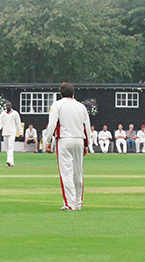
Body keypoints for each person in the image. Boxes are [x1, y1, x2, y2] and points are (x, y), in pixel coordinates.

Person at [42, 82, 91, 211]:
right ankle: (78, 202)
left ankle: (70, 203)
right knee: (78, 172)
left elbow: (52, 124)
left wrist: (48, 140)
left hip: (64, 139)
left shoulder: (57, 105)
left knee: (66, 172)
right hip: (79, 140)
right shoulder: (81, 107)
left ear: (60, 93)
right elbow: (87, 127)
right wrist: (87, 144)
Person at [0, 101, 22, 167]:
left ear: (11, 106)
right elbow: (0, 122)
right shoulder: (3, 113)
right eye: (7, 105)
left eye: (9, 105)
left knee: (10, 146)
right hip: (5, 132)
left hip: (12, 132)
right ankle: (11, 162)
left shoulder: (15, 113)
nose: (8, 107)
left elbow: (18, 123)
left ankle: (9, 161)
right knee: (7, 148)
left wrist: (20, 132)